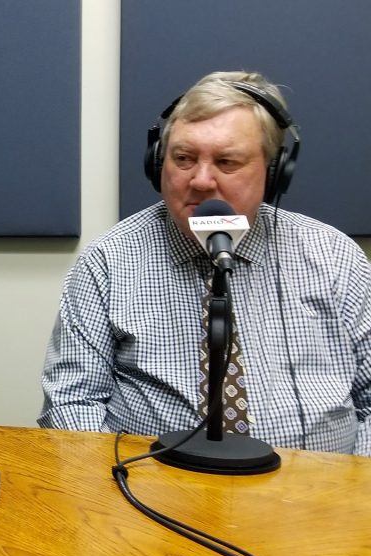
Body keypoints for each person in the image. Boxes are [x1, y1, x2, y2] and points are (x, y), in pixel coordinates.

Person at [38, 71, 371, 456]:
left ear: (275, 171)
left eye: (227, 162)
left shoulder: (334, 257)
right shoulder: (109, 261)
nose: (200, 180)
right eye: (184, 158)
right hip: (153, 496)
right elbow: (71, 404)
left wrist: (351, 492)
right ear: (157, 162)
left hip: (320, 499)